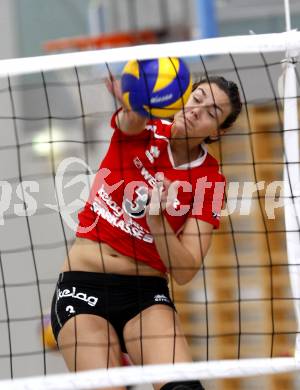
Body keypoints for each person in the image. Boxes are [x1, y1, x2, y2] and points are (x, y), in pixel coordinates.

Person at [51, 71, 242, 390]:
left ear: (218, 132)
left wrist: (158, 220)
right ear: (183, 97)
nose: (197, 111)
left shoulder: (210, 182)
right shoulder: (146, 129)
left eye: (212, 112)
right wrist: (137, 99)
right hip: (83, 286)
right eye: (197, 99)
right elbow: (131, 121)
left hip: (144, 295)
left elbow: (185, 270)